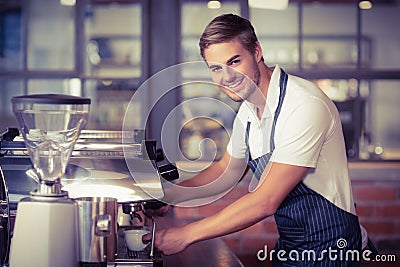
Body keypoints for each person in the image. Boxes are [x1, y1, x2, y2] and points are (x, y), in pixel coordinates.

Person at [146, 14, 365, 266]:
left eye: (234, 61)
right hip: (292, 248)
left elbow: (265, 201)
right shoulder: (248, 112)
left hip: (333, 251)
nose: (226, 78)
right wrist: (168, 196)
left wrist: (186, 235)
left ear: (257, 52)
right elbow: (226, 172)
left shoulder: (303, 105)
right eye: (216, 68)